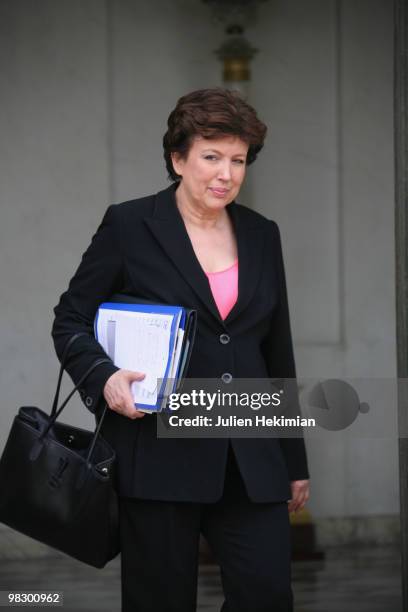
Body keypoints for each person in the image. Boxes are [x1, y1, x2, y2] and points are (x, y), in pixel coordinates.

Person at [52, 88, 310, 612]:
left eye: (238, 160)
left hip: (250, 455)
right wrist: (103, 376)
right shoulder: (129, 226)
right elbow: (70, 320)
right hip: (157, 455)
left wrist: (293, 458)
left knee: (267, 596)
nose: (227, 173)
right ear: (178, 158)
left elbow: (276, 348)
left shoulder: (262, 234)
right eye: (211, 157)